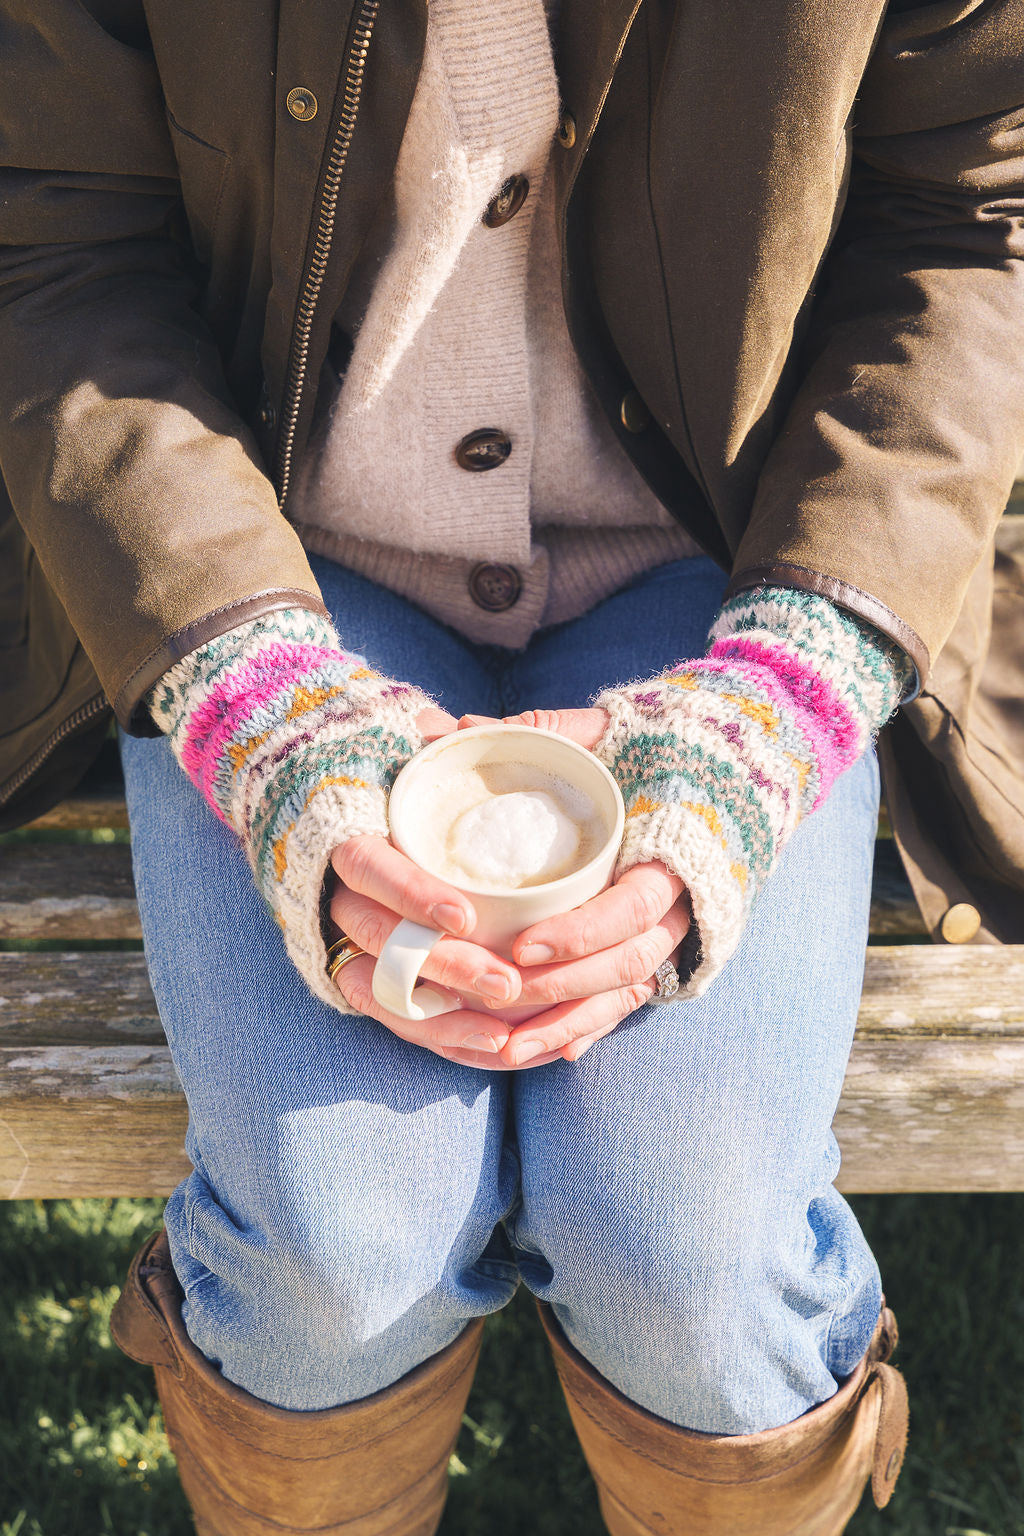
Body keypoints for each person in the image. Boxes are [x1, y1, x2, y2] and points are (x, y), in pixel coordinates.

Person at [1, 2, 1023, 1532]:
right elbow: (57, 239)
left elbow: (980, 224)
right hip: (262, 543)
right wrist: (261, 702)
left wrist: (772, 702)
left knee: (686, 1246)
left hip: (742, 553)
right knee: (335, 1250)